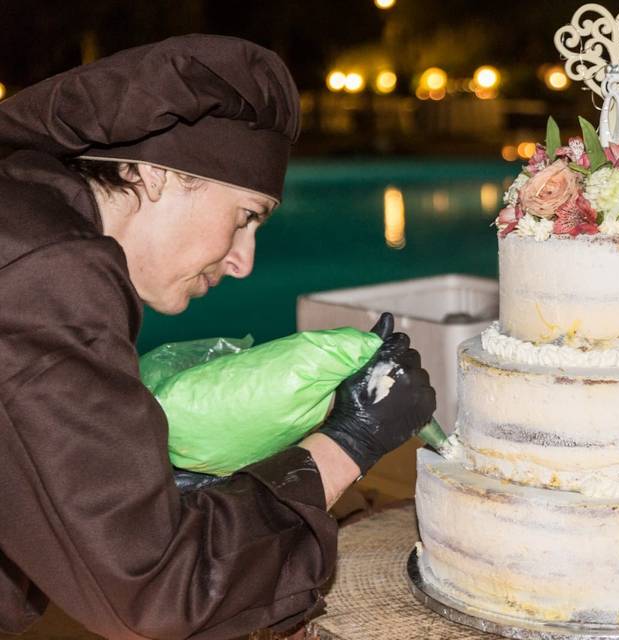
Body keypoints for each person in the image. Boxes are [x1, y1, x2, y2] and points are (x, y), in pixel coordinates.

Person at [0, 35, 436, 639]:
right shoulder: (49, 274)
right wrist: (350, 440)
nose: (244, 261)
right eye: (245, 217)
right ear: (157, 175)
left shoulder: (27, 226)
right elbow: (161, 593)